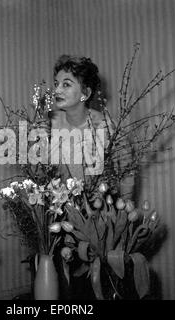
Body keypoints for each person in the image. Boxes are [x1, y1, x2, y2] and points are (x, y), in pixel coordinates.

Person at [49, 54, 112, 299]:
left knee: (95, 288)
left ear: (84, 92)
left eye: (66, 84)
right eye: (56, 83)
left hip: (99, 221)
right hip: (61, 220)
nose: (57, 89)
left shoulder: (105, 125)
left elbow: (125, 177)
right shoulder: (49, 126)